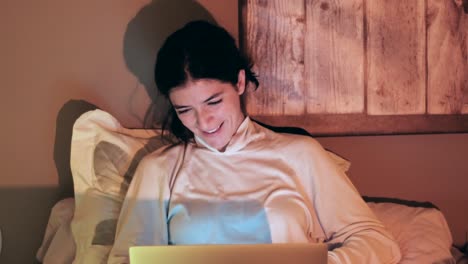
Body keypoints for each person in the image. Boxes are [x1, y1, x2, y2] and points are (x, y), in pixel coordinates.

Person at [108, 20, 401, 264]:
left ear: (239, 82)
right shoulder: (159, 170)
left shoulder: (299, 154)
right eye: (185, 110)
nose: (205, 122)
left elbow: (378, 242)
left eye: (213, 101)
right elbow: (126, 258)